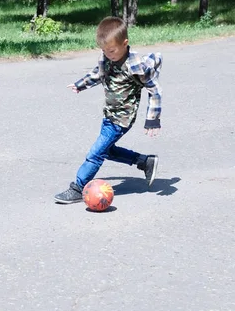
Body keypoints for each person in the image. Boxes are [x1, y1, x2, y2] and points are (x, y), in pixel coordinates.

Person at [54, 16, 163, 204]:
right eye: (104, 50)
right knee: (108, 151)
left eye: (112, 50)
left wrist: (152, 119)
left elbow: (155, 90)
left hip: (122, 118)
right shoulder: (106, 57)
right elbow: (99, 73)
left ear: (125, 43)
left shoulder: (135, 64)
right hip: (109, 115)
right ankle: (144, 161)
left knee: (95, 153)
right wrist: (81, 84)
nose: (108, 54)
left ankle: (78, 187)